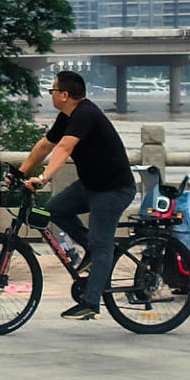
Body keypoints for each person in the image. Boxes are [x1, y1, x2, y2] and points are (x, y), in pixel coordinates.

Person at [21, 70, 137, 320]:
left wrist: (42, 178)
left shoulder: (86, 114)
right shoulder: (67, 116)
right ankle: (91, 249)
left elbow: (64, 147)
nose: (50, 94)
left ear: (64, 95)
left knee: (101, 243)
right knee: (53, 210)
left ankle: (91, 303)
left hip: (113, 190)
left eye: (52, 90)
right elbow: (46, 145)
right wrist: (20, 171)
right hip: (90, 185)